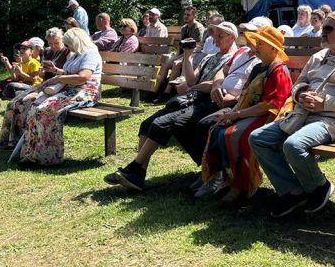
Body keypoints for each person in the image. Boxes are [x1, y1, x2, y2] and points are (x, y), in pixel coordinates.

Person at [249, 12, 335, 217]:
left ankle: (319, 186)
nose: (322, 33)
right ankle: (292, 191)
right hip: (301, 115)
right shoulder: (318, 57)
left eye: (328, 29)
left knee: (293, 145)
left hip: (332, 121)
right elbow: (297, 86)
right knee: (258, 138)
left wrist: (324, 103)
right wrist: (301, 94)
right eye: (323, 28)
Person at [104, 21, 244, 190]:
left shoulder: (232, 59)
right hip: (191, 98)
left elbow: (212, 84)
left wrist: (192, 87)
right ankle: (138, 171)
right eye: (215, 35)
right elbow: (192, 79)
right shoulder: (211, 57)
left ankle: (135, 170)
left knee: (160, 124)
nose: (215, 39)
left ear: (232, 37)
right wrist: (187, 55)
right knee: (146, 123)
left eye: (220, 36)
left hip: (205, 101)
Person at [196, 26, 292, 202]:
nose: (256, 46)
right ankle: (221, 177)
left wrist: (237, 114)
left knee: (234, 135)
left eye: (261, 43)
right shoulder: (258, 68)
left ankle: (244, 184)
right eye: (257, 43)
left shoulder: (278, 70)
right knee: (216, 128)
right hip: (249, 112)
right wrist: (231, 113)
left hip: (268, 117)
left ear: (273, 48)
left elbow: (271, 105)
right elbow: (245, 95)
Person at [19, 28, 102, 166]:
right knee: (34, 108)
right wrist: (56, 71)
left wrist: (59, 78)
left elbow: (82, 77)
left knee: (45, 110)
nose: (67, 47)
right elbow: (69, 72)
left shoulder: (90, 54)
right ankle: (32, 154)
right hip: (71, 89)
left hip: (85, 91)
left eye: (68, 44)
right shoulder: (77, 54)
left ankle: (49, 157)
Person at [0, 29, 70, 149]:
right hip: (43, 85)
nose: (53, 46)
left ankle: (22, 141)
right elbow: (41, 75)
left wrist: (53, 70)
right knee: (13, 104)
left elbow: (67, 73)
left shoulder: (67, 52)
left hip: (57, 87)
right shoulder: (47, 52)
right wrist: (42, 72)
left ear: (62, 39)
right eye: (50, 43)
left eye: (56, 43)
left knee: (24, 105)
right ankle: (7, 141)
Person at [0, 41, 42, 138]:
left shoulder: (34, 63)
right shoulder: (21, 62)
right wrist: (7, 63)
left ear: (31, 52)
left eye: (24, 49)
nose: (21, 50)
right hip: (15, 83)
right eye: (20, 49)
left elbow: (33, 80)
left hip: (30, 87)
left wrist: (21, 72)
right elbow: (14, 77)